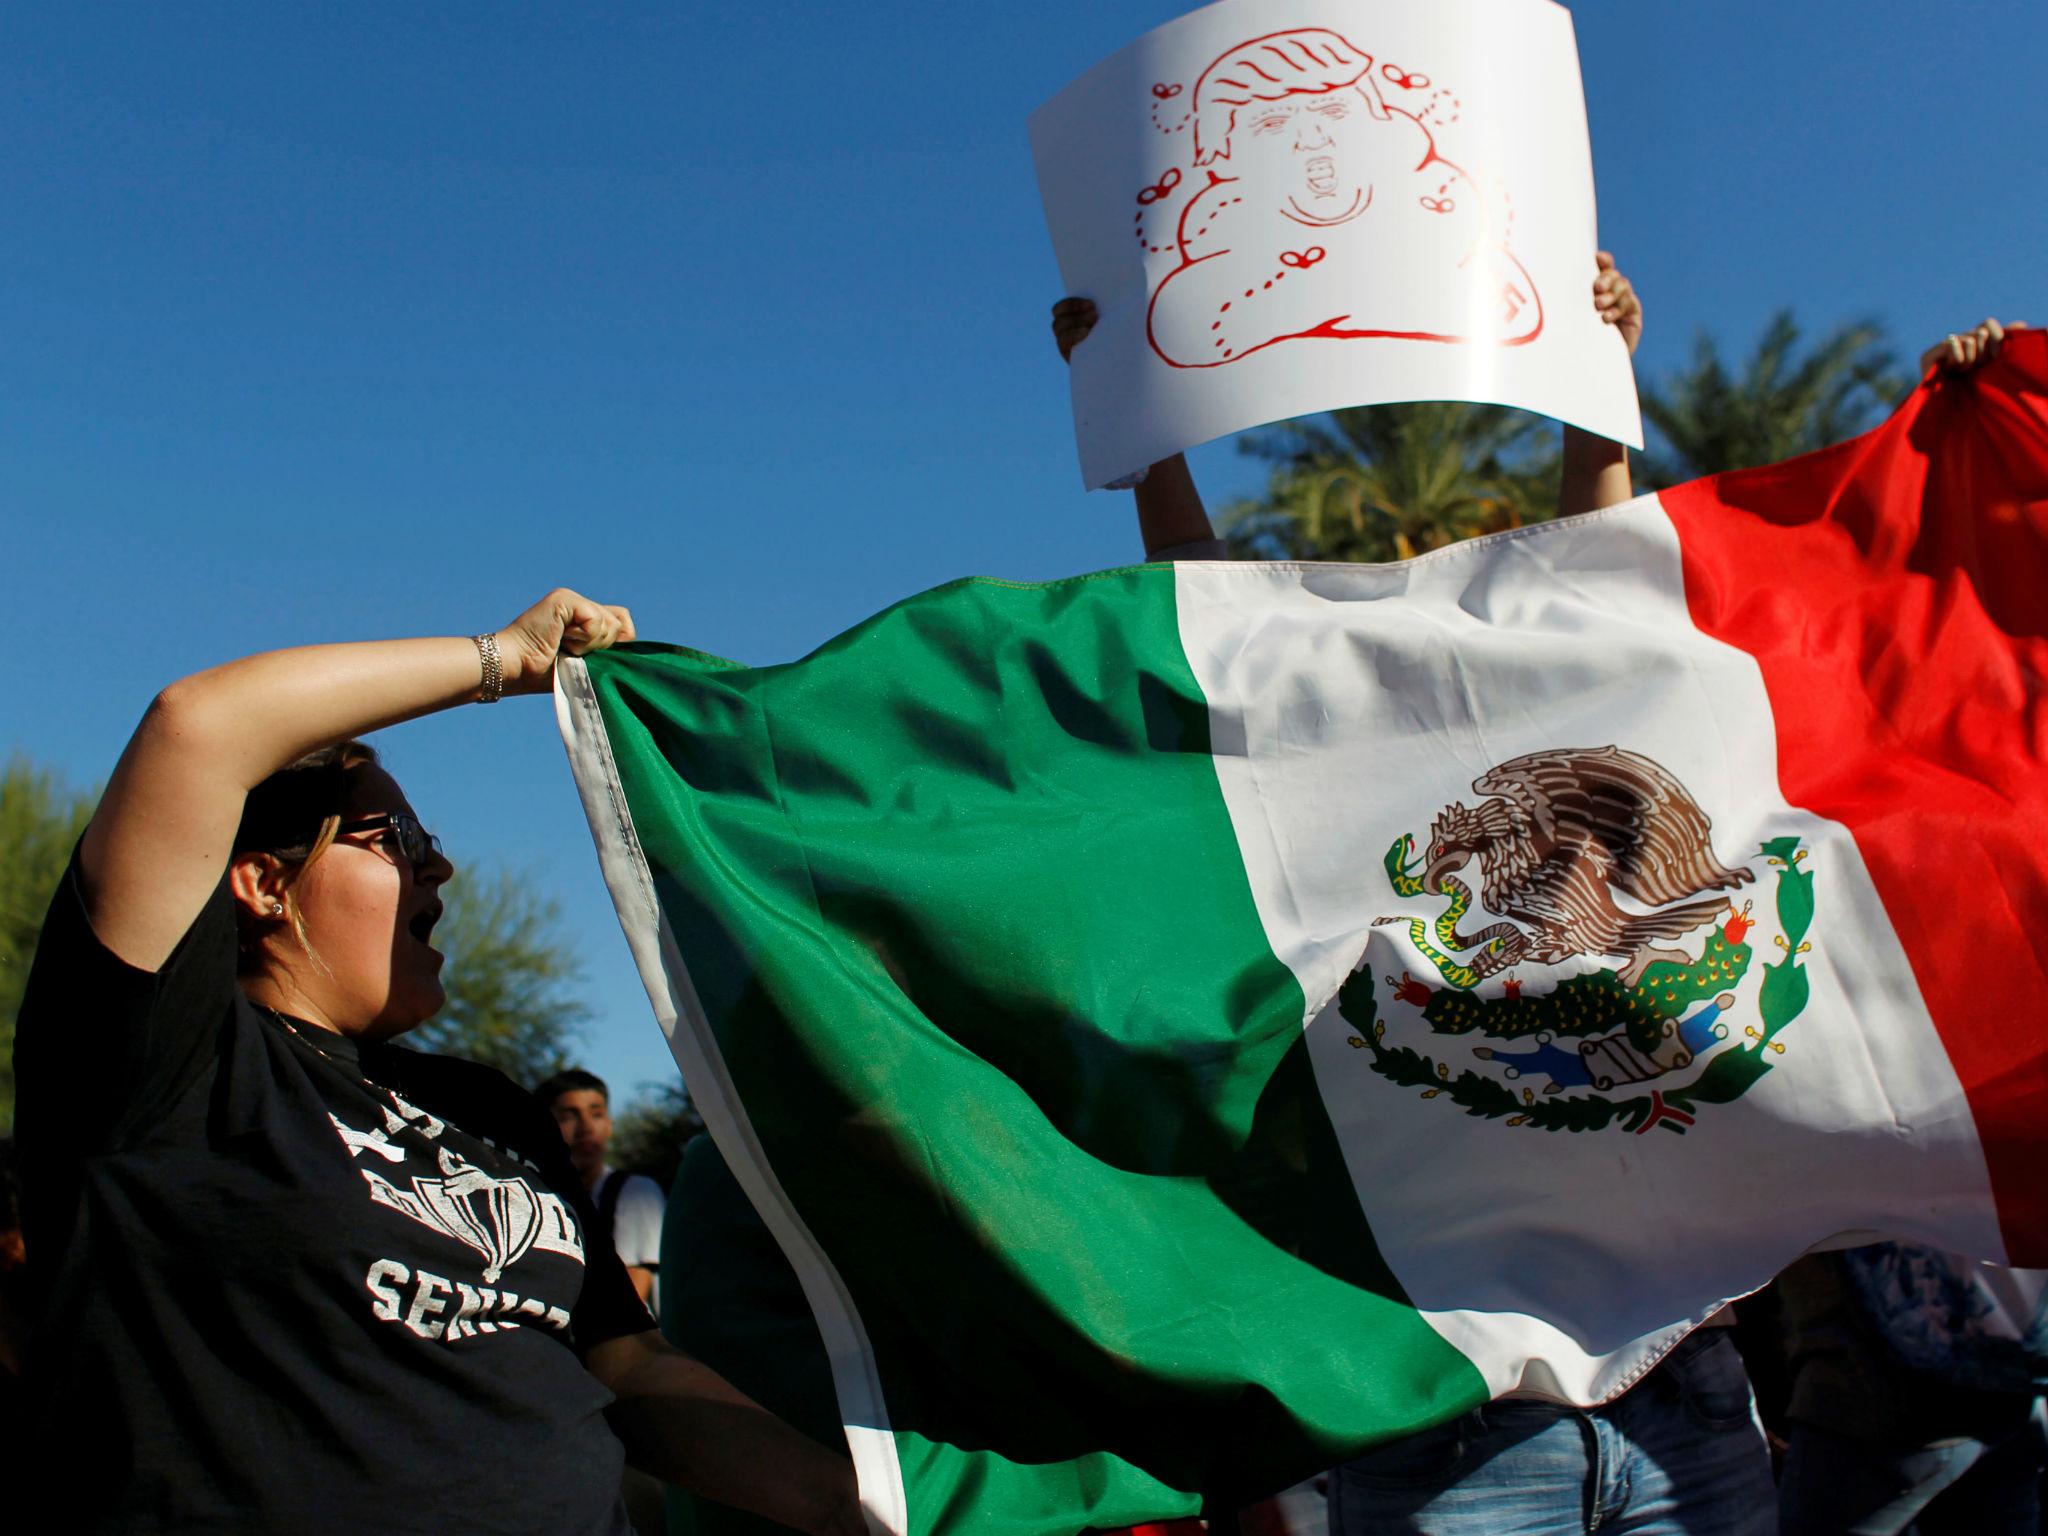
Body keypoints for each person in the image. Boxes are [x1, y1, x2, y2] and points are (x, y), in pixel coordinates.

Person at [1055, 258, 1785, 1536]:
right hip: (1450, 1439)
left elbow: (1601, 582)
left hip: (1682, 1405)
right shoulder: (1346, 834)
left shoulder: (1616, 828)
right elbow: (1212, 628)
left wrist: (1590, 378)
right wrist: (1145, 430)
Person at [12, 589, 862, 1535]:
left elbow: (625, 1369)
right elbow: (199, 726)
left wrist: (850, 1504)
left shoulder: (484, 1105)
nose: (440, 870)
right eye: (396, 840)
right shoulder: (165, 1067)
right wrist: (504, 659)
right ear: (261, 884)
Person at [539, 1068, 668, 1312]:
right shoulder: (538, 1201)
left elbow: (626, 1302)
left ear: (609, 1124)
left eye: (596, 1114)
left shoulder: (634, 1193)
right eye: (569, 1116)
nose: (586, 1128)